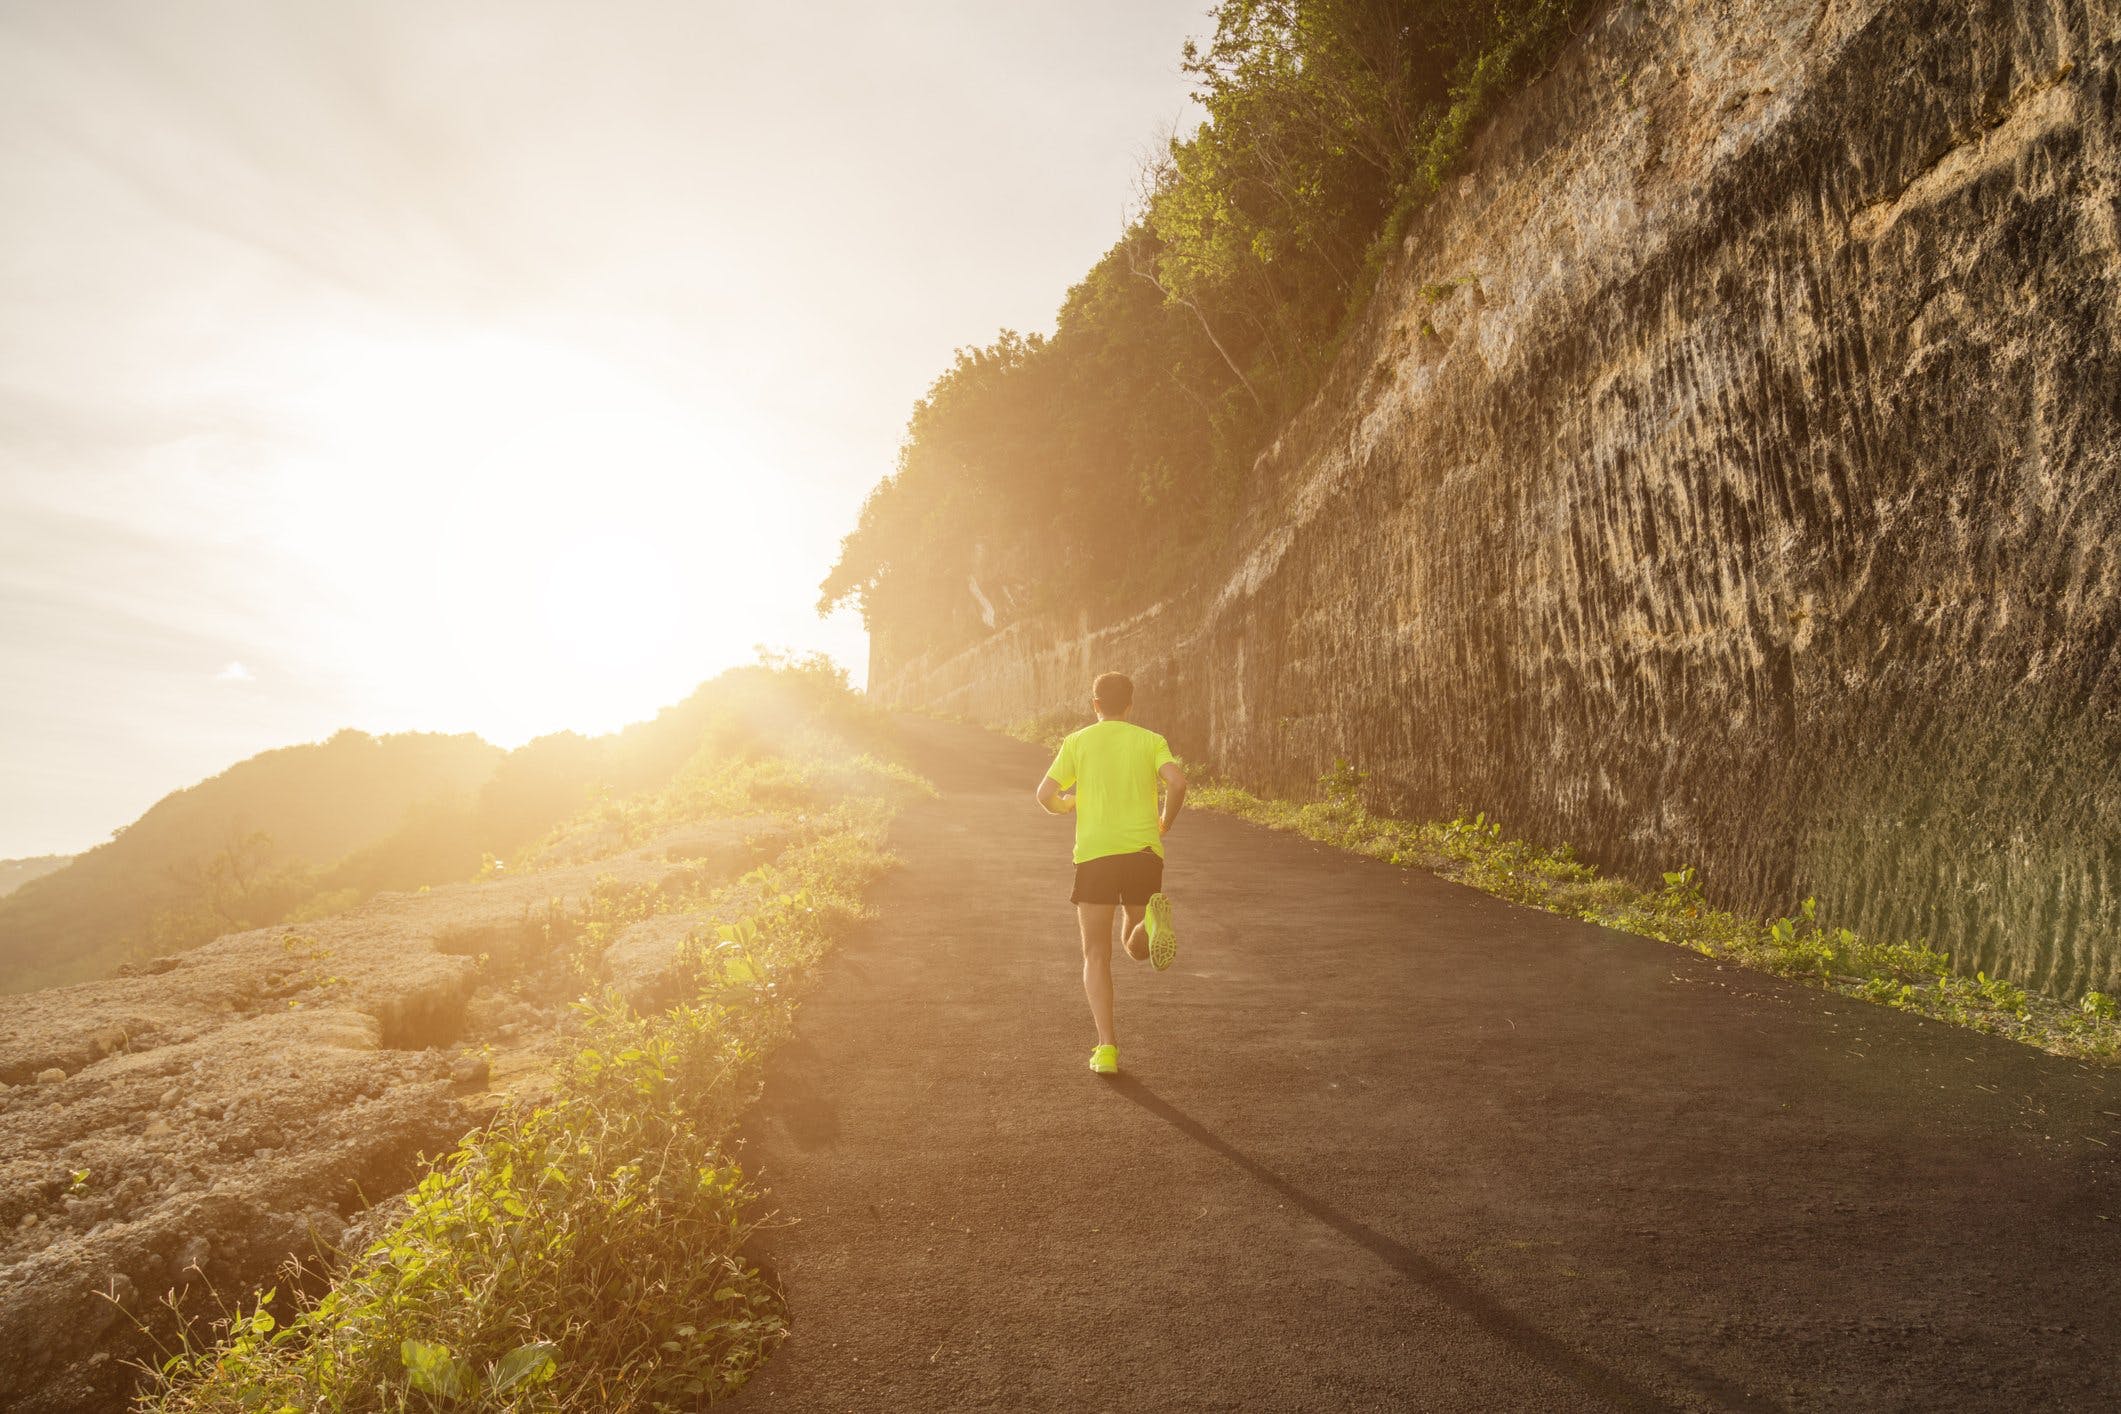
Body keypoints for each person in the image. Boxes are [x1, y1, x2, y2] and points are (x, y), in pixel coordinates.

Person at [1034, 670, 1187, 1076]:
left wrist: (1068, 805)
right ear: (1130, 705)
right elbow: (1177, 782)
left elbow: (1044, 794)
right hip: (1143, 852)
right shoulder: (1150, 740)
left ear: (1095, 704)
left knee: (1096, 954)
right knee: (1136, 944)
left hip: (1096, 855)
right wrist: (1165, 820)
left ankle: (1106, 1049)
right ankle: (1150, 924)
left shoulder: (1078, 742)